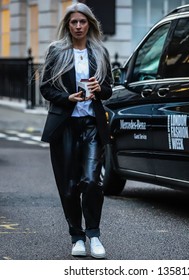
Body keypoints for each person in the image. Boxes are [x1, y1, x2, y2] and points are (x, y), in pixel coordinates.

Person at [39, 2, 112, 258]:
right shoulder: (57, 52)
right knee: (69, 185)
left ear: (89, 23)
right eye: (74, 22)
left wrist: (100, 88)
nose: (78, 26)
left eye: (82, 22)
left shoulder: (100, 52)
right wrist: (66, 98)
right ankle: (76, 237)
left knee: (92, 180)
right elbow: (45, 89)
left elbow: (109, 89)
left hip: (92, 124)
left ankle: (93, 234)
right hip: (65, 126)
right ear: (68, 25)